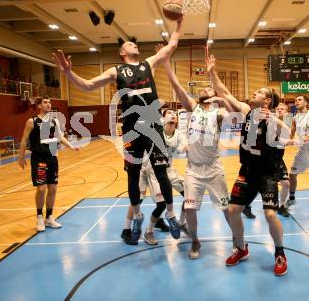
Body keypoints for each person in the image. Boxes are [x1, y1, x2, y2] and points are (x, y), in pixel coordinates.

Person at [52, 18, 183, 244]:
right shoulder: (116, 70)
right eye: (130, 45)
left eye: (135, 44)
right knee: (132, 176)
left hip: (153, 126)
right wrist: (68, 74)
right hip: (132, 129)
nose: (135, 45)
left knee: (162, 172)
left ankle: (170, 215)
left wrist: (179, 23)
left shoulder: (148, 64)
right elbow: (88, 85)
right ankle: (138, 216)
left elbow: (171, 45)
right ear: (122, 52)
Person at [208, 55, 289, 276]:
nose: (255, 92)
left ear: (268, 100)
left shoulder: (274, 121)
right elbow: (223, 92)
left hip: (268, 174)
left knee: (271, 215)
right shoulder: (246, 111)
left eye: (261, 92)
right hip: (248, 171)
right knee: (233, 211)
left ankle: (280, 253)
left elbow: (288, 132)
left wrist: (271, 118)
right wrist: (211, 71)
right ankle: (242, 248)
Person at [162, 51, 232, 259]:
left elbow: (231, 106)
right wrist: (166, 63)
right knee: (190, 209)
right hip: (193, 170)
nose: (204, 89)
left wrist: (216, 84)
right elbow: (177, 87)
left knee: (227, 210)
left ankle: (238, 241)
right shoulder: (193, 108)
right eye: (203, 89)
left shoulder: (218, 113)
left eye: (208, 88)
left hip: (214, 169)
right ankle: (195, 241)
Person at [123, 108, 189, 246]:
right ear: (162, 119)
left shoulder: (179, 134)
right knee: (139, 201)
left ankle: (181, 223)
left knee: (189, 196)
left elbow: (184, 142)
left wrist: (185, 146)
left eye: (175, 114)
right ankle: (130, 229)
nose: (173, 115)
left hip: (168, 170)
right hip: (148, 170)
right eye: (169, 113)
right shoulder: (156, 131)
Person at [18, 96, 79, 231]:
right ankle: (39, 218)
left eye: (49, 102)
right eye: (45, 102)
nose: (48, 104)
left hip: (52, 158)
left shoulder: (54, 121)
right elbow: (23, 140)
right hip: (39, 158)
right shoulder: (32, 121)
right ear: (39, 106)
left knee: (53, 189)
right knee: (41, 189)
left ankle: (49, 217)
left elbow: (60, 137)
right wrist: (21, 157)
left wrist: (71, 146)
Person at [275, 103, 291, 217]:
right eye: (278, 108)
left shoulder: (288, 124)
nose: (280, 110)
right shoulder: (269, 121)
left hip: (278, 158)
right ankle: (246, 205)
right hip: (265, 158)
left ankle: (281, 205)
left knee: (285, 183)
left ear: (286, 112)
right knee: (257, 184)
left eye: (282, 109)